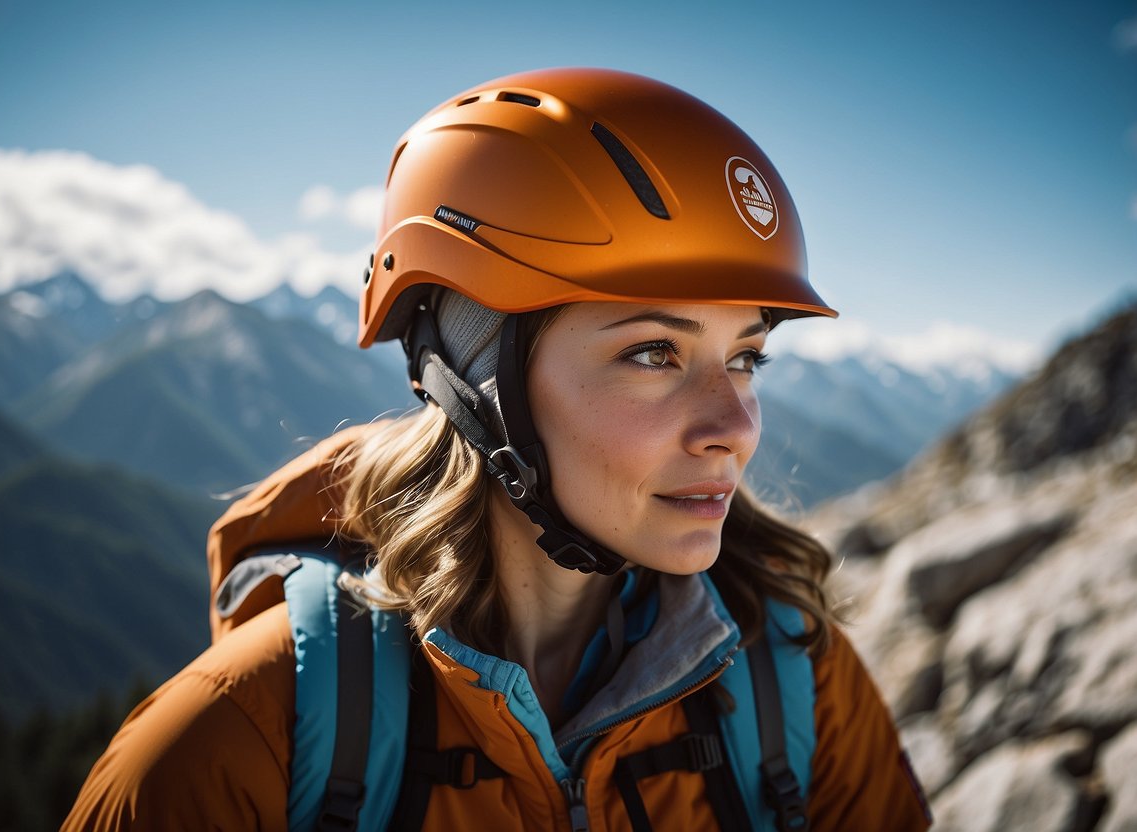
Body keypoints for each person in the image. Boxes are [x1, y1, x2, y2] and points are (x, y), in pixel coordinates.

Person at [64, 68, 932, 831]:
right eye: (651, 354)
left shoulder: (798, 683)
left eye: (745, 357)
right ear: (474, 375)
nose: (736, 426)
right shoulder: (232, 745)